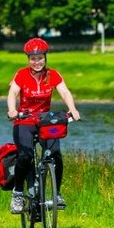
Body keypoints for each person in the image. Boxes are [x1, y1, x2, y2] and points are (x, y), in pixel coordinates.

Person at [6, 38, 81, 214]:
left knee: (55, 155)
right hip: (24, 120)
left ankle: (57, 194)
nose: (37, 62)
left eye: (40, 58)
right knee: (25, 156)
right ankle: (17, 192)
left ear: (45, 58)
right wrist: (12, 110)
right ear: (28, 59)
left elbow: (64, 91)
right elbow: (12, 93)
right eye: (33, 58)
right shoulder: (21, 74)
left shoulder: (53, 75)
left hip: (45, 121)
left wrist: (73, 109)